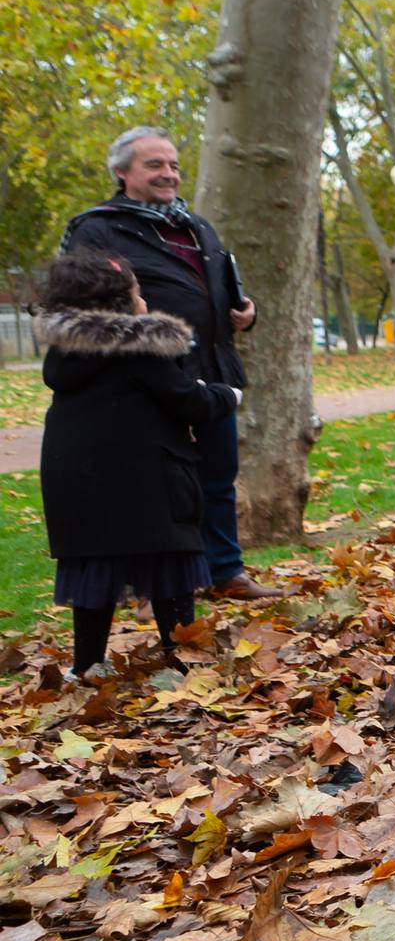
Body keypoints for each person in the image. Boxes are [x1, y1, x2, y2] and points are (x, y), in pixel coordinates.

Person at [59, 126, 278, 599]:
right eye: (154, 164)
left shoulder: (196, 226)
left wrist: (245, 313)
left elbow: (216, 288)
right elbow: (81, 305)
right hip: (149, 381)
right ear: (122, 172)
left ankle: (224, 572)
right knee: (156, 490)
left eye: (174, 165)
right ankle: (153, 587)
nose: (169, 174)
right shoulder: (97, 228)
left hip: (213, 371)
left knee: (218, 478)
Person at [34, 251, 243, 681]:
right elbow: (187, 399)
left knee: (95, 569)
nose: (144, 301)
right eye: (137, 292)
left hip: (77, 480)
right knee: (171, 562)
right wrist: (227, 394)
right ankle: (182, 657)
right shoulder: (141, 347)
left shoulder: (65, 352)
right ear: (120, 302)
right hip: (147, 479)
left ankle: (88, 663)